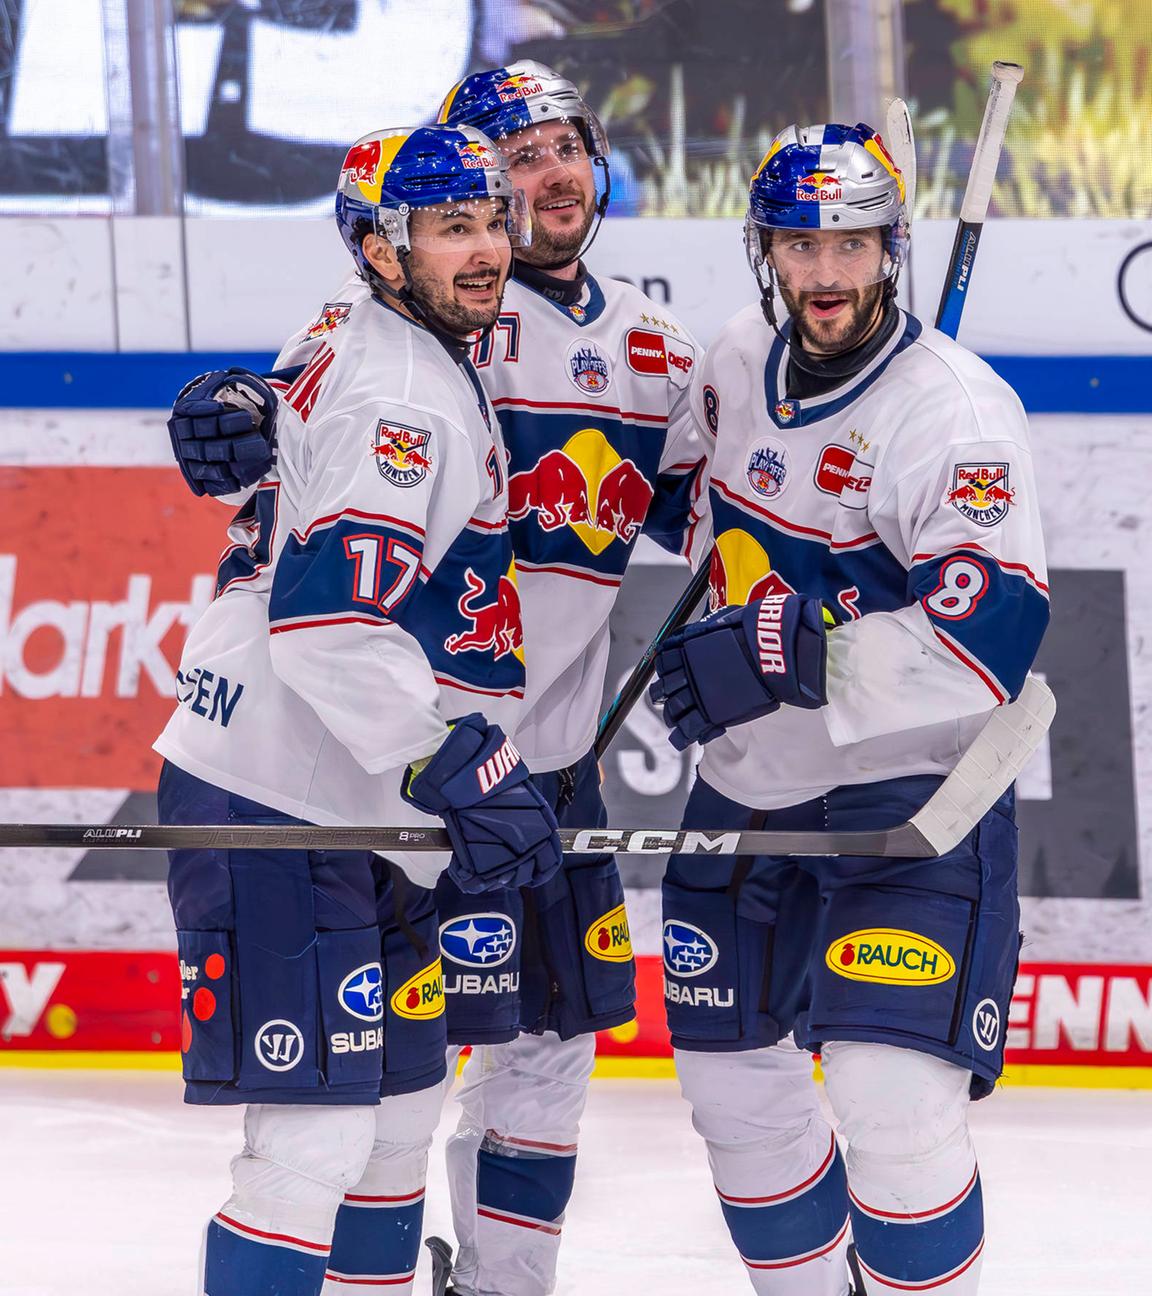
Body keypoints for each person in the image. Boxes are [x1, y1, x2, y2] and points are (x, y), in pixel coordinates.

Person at [167, 61, 707, 1296]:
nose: (533, 187)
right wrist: (233, 404)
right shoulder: (409, 349)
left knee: (476, 1081)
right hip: (386, 761)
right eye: (488, 179)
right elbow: (314, 511)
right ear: (388, 242)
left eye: (553, 153)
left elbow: (744, 505)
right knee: (334, 1128)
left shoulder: (649, 356)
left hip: (496, 763)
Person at [156, 123, 561, 1296]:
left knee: (398, 1113)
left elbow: (274, 424)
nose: (486, 250)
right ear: (383, 251)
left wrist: (238, 396)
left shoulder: (353, 324)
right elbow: (329, 626)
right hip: (282, 795)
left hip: (354, 798)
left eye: (492, 221)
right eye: (452, 230)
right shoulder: (407, 396)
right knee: (313, 1145)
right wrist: (458, 759)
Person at [648, 123, 1050, 1296]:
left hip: (908, 798)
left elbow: (988, 642)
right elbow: (683, 499)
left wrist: (792, 652)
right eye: (801, 245)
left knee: (891, 1105)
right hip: (745, 786)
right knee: (732, 1098)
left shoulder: (957, 416)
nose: (827, 273)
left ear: (893, 248)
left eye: (854, 245)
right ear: (765, 250)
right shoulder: (732, 355)